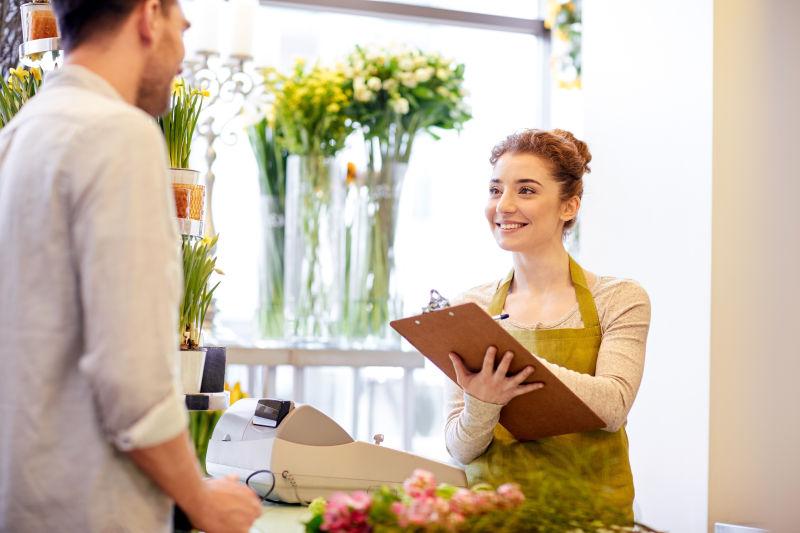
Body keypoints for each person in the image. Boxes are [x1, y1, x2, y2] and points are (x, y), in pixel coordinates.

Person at [0, 1, 261, 531]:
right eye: (182, 29)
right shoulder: (120, 135)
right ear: (149, 16)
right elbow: (132, 381)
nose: (183, 53)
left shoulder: (17, 136)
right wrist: (202, 501)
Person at [445, 129, 651, 521]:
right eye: (495, 189)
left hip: (591, 521)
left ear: (569, 206)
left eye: (525, 190)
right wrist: (482, 400)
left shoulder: (619, 298)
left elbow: (613, 406)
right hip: (493, 521)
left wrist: (509, 365)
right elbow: (460, 448)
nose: (503, 206)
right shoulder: (470, 306)